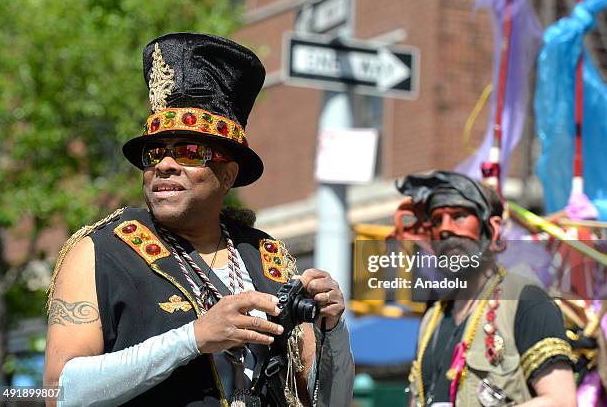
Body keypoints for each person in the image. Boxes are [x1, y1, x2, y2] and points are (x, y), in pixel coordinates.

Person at [43, 33, 354, 407]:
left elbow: (329, 401)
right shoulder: (100, 251)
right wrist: (193, 337)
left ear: (227, 175)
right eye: (155, 152)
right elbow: (58, 393)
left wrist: (332, 330)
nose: (165, 164)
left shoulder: (266, 256)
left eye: (189, 151)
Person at [402, 171, 576, 407]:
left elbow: (562, 401)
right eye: (435, 220)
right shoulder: (433, 316)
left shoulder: (525, 299)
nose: (445, 229)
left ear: (492, 229)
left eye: (459, 216)